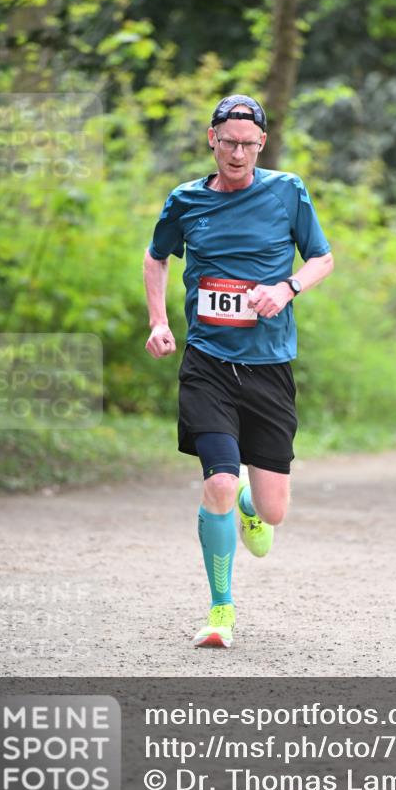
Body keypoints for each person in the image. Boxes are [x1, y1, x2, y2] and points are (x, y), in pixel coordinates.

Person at [143, 94, 333, 647]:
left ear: (262, 145)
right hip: (207, 362)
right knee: (219, 481)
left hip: (269, 367)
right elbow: (157, 256)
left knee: (272, 512)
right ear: (211, 139)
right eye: (229, 142)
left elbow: (322, 257)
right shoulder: (185, 201)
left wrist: (288, 286)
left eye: (249, 144)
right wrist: (158, 321)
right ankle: (221, 609)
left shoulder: (287, 191)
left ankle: (252, 505)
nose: (239, 153)